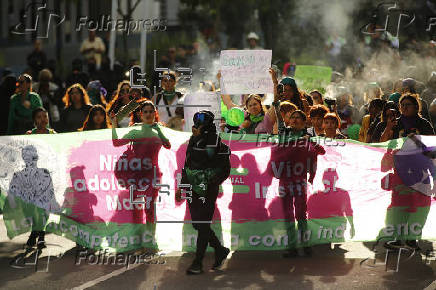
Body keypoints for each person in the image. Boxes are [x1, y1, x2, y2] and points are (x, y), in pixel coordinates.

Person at [175, 111, 231, 274]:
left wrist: (210, 182)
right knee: (198, 224)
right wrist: (182, 186)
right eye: (196, 119)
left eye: (201, 119)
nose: (197, 122)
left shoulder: (214, 140)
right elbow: (188, 164)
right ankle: (220, 250)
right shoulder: (194, 138)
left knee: (203, 223)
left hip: (208, 188)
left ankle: (197, 263)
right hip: (192, 186)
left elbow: (210, 160)